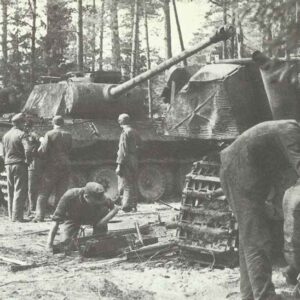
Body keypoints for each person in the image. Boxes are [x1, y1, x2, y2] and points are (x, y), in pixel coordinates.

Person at [219, 120, 300, 300]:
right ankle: (265, 296)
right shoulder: (291, 130)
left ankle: (249, 294)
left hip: (243, 173)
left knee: (249, 239)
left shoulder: (286, 131)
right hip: (239, 173)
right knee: (257, 238)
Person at [46, 182, 119, 251]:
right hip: (74, 219)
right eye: (95, 202)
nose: (98, 202)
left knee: (99, 244)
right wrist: (49, 244)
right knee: (67, 244)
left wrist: (104, 221)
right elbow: (55, 221)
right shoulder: (70, 196)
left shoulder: (102, 197)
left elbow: (115, 208)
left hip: (96, 218)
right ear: (86, 196)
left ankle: (99, 233)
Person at [34, 115, 72, 222]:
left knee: (44, 191)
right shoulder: (68, 134)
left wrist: (41, 142)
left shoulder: (49, 134)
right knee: (61, 192)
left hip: (52, 165)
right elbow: (69, 149)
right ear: (63, 123)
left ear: (52, 123)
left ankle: (39, 216)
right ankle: (58, 216)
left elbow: (42, 151)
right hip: (65, 164)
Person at [2, 113, 29, 221]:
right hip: (19, 164)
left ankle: (11, 216)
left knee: (10, 189)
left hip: (8, 164)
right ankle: (17, 217)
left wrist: (6, 161)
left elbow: (3, 152)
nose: (24, 124)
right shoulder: (22, 134)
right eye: (24, 122)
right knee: (19, 190)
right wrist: (28, 160)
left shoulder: (6, 135)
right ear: (20, 123)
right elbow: (27, 149)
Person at [116, 113, 141, 212]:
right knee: (133, 182)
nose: (118, 122)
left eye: (119, 120)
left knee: (126, 183)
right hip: (134, 159)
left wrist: (119, 165)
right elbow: (140, 144)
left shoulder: (125, 132)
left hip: (126, 160)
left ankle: (126, 206)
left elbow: (123, 150)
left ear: (121, 121)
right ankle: (134, 205)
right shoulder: (134, 131)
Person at [24, 120, 41, 217]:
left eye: (28, 125)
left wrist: (37, 152)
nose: (26, 127)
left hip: (32, 163)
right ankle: (28, 208)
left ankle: (32, 209)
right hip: (24, 163)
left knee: (31, 188)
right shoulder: (22, 135)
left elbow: (41, 140)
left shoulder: (33, 134)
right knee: (26, 187)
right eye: (25, 125)